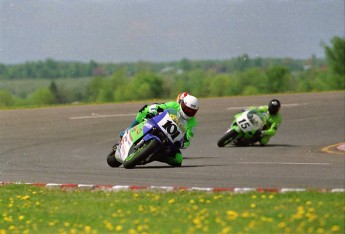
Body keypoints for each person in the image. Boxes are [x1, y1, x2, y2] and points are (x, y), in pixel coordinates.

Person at [119, 93, 199, 166]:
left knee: (178, 160)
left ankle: (157, 156)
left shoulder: (193, 123)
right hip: (157, 124)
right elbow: (161, 106)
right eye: (186, 108)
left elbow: (188, 139)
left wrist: (182, 143)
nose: (188, 112)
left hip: (170, 141)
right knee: (145, 110)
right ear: (182, 104)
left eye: (192, 111)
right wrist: (153, 109)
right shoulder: (173, 105)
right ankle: (130, 128)